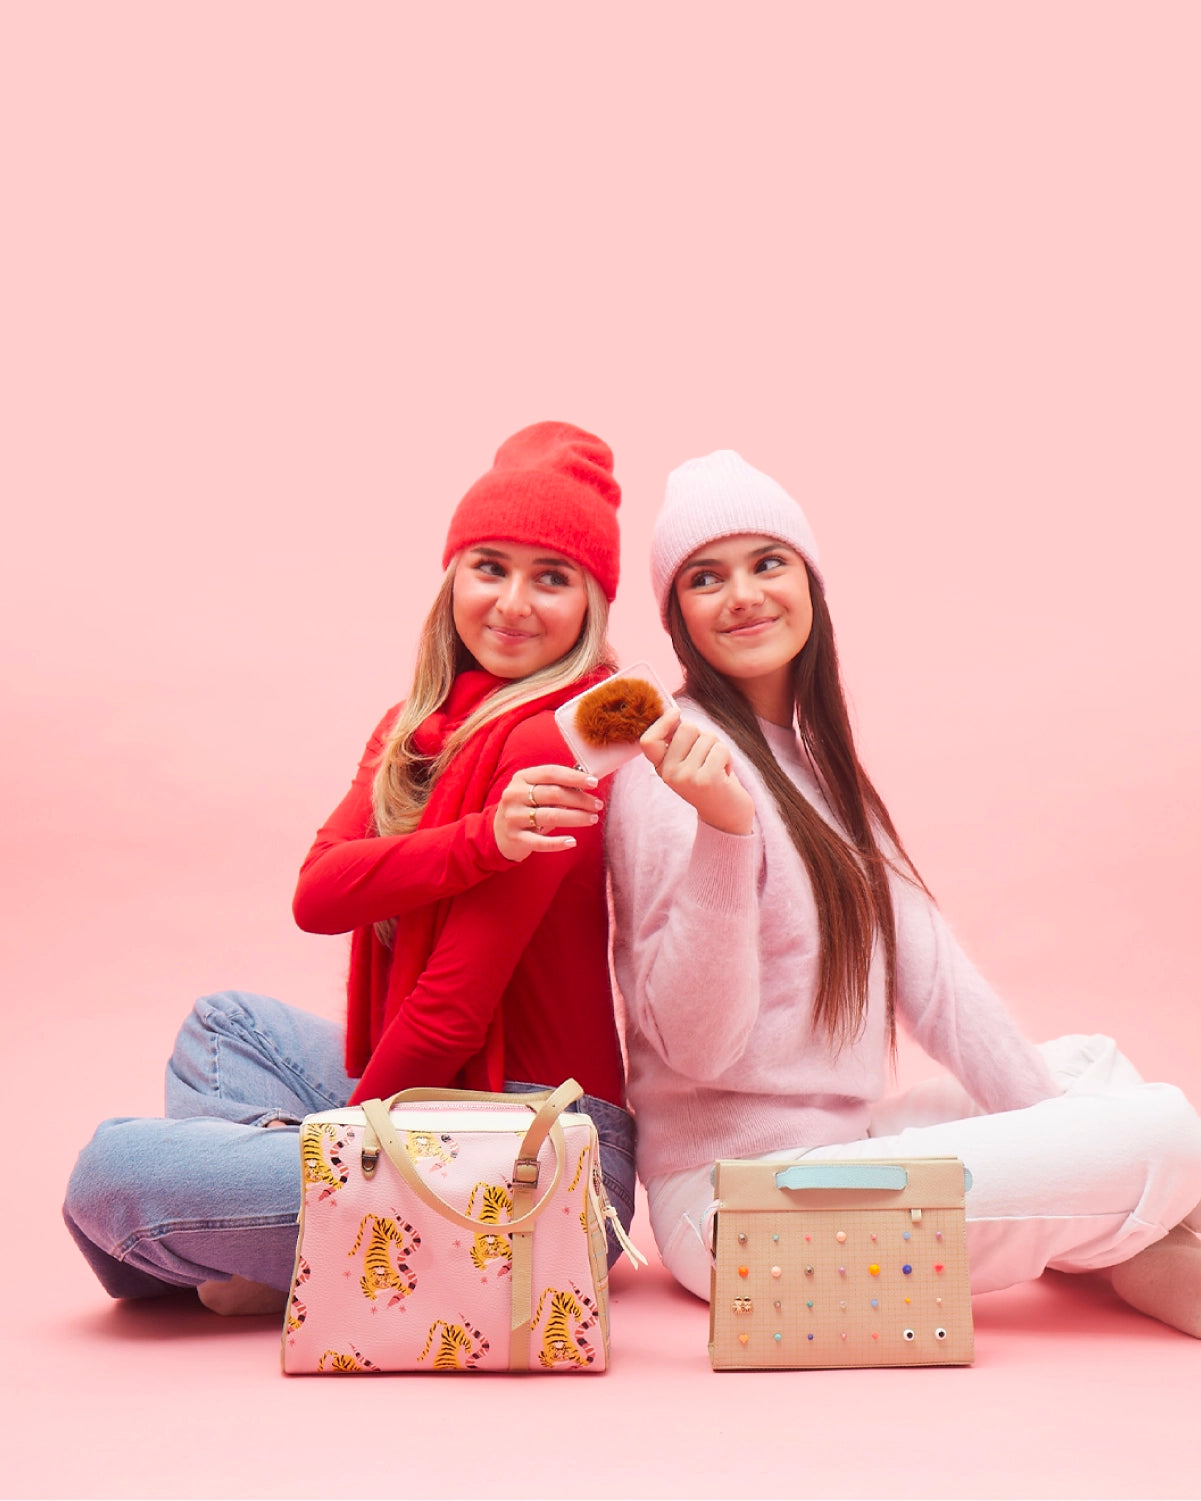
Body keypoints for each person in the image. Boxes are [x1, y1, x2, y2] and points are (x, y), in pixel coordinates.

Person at [606, 448, 1201, 1337]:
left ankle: (1137, 1238)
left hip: (839, 1154)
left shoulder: (816, 766)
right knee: (1161, 1129)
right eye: (704, 577)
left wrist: (1055, 1140)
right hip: (740, 1211)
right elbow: (696, 1048)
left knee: (1085, 1066)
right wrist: (724, 832)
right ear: (678, 615)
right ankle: (1138, 1233)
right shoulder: (672, 765)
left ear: (808, 580)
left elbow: (939, 984)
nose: (743, 595)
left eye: (767, 562)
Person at [64, 421, 636, 1314]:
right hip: (446, 1100)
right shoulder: (418, 727)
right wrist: (481, 839)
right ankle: (308, 1253)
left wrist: (344, 1163)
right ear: (453, 577)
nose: (514, 602)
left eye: (552, 578)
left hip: (543, 1146)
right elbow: (318, 895)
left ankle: (300, 1245)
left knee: (110, 1172)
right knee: (226, 1027)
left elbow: (449, 1010)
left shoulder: (555, 742)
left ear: (589, 605)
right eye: (490, 566)